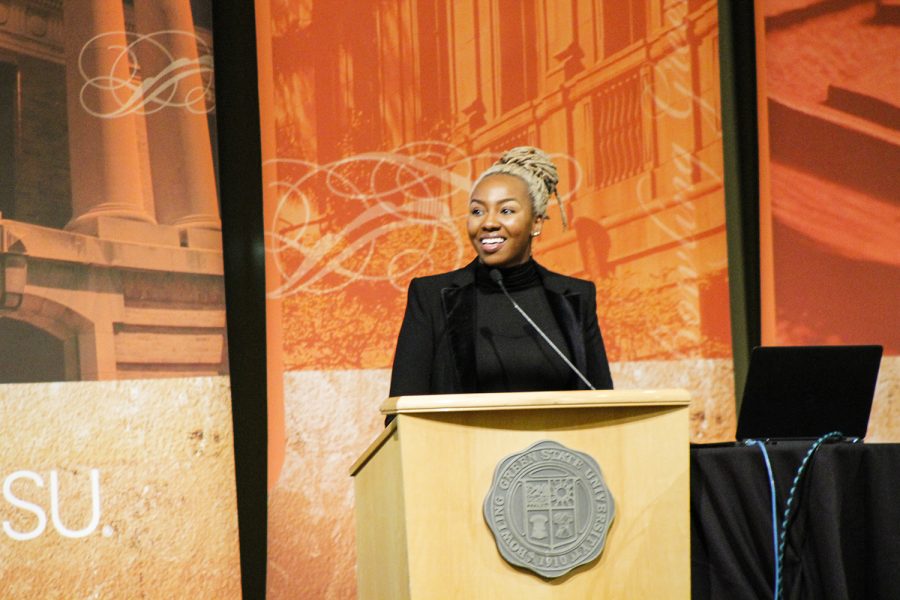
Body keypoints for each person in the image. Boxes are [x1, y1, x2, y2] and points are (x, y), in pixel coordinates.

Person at [388, 146, 613, 403]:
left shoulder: (575, 297)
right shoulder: (431, 297)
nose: (488, 222)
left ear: (536, 222)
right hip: (461, 443)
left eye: (506, 211)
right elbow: (402, 411)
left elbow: (605, 404)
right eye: (477, 211)